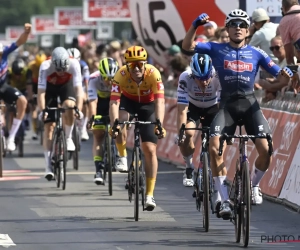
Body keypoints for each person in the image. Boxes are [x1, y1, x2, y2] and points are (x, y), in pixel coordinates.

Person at [182, 9, 293, 219]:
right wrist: (194, 26)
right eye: (234, 24)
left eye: (242, 25)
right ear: (228, 28)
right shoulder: (215, 48)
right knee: (214, 148)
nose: (238, 28)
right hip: (226, 106)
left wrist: (287, 72)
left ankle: (253, 186)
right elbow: (188, 47)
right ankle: (224, 199)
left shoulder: (256, 53)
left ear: (248, 30)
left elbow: (279, 73)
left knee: (266, 149)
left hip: (250, 104)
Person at [109, 45, 166, 211]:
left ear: (145, 64)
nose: (136, 68)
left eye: (139, 64)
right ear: (127, 65)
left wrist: (159, 123)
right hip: (128, 102)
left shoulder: (153, 73)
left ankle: (149, 194)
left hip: (148, 105)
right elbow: (114, 102)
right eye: (132, 65)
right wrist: (115, 124)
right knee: (122, 121)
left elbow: (160, 101)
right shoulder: (120, 74)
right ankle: (122, 156)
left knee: (149, 149)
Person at [38, 47, 84, 180]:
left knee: (69, 106)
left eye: (64, 69)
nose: (61, 72)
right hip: (50, 89)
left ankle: (68, 138)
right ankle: (48, 166)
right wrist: (43, 111)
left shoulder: (74, 64)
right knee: (49, 127)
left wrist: (79, 110)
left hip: (66, 86)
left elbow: (78, 90)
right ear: (53, 63)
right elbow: (41, 93)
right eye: (58, 70)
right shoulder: (45, 66)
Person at [176, 53, 221, 189]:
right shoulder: (185, 77)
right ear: (193, 75)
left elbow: (222, 106)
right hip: (193, 107)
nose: (204, 82)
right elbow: (182, 110)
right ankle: (189, 167)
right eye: (200, 78)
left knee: (215, 143)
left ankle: (211, 171)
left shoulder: (218, 75)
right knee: (187, 134)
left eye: (207, 77)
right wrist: (181, 133)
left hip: (213, 107)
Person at [86, 57, 119, 185]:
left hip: (114, 102)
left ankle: (118, 154)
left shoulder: (120, 78)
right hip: (100, 103)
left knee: (118, 126)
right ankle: (99, 168)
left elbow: (119, 102)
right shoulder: (93, 78)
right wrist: (93, 118)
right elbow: (92, 102)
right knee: (98, 135)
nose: (109, 82)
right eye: (106, 78)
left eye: (111, 79)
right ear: (100, 74)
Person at [0, 23, 31, 151]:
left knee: (23, 101)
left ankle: (11, 137)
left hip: (3, 86)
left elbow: (20, 41)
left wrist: (27, 32)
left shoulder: (6, 52)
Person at [67, 48, 90, 141]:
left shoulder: (84, 66)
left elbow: (87, 81)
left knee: (85, 101)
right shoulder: (66, 65)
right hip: (69, 87)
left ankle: (83, 128)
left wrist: (87, 94)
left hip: (81, 87)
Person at [28, 51, 47, 139]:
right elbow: (29, 84)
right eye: (38, 66)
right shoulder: (31, 67)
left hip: (45, 84)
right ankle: (35, 130)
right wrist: (31, 97)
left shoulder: (48, 65)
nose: (40, 68)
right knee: (34, 109)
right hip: (35, 85)